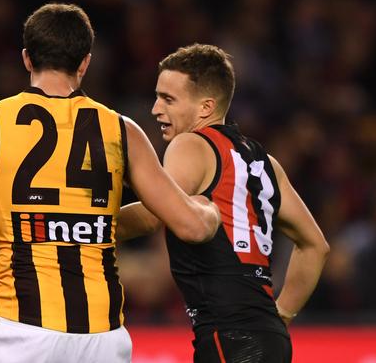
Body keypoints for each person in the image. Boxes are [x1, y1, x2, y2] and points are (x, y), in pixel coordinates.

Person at [0, 4, 221, 363]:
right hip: (103, 340)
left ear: (26, 59)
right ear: (85, 62)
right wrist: (210, 209)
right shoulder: (123, 130)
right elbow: (188, 225)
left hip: (22, 332)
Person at [117, 44, 330, 362]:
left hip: (229, 337)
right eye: (158, 96)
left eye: (169, 99)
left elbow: (154, 215)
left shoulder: (190, 145)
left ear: (205, 107)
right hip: (267, 337)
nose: (155, 109)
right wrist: (282, 315)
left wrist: (88, 223)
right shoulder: (267, 164)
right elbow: (316, 246)